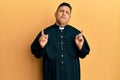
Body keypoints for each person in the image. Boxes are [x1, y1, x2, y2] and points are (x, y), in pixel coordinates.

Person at [31, 2, 90, 80]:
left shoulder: (76, 34)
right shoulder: (45, 33)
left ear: (69, 17)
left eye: (67, 12)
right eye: (61, 11)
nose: (64, 13)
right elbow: (36, 54)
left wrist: (80, 47)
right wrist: (41, 46)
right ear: (55, 14)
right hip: (51, 75)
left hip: (71, 75)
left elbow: (84, 54)